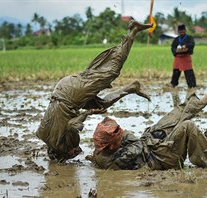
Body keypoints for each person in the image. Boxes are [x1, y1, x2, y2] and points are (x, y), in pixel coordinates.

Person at [36, 20, 153, 162]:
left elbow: (72, 125)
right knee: (101, 105)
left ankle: (133, 31)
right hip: (63, 90)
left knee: (111, 71)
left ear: (63, 154)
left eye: (72, 154)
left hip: (72, 95)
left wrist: (88, 113)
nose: (76, 152)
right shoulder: (42, 135)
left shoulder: (61, 145)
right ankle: (130, 88)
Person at [88, 75, 207, 170]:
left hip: (151, 147)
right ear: (110, 146)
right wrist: (124, 137)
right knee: (187, 126)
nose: (121, 133)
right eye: (117, 137)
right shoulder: (114, 159)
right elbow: (137, 143)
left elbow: (131, 140)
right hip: (161, 159)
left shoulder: (102, 148)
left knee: (175, 115)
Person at [170, 24, 196, 88]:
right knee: (176, 72)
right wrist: (175, 51)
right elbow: (172, 47)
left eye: (183, 32)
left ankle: (192, 85)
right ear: (178, 32)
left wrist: (186, 46)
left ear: (185, 31)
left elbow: (192, 44)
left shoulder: (189, 38)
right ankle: (173, 84)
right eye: (180, 32)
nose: (182, 33)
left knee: (189, 72)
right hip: (178, 57)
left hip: (186, 57)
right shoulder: (176, 39)